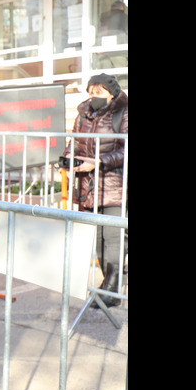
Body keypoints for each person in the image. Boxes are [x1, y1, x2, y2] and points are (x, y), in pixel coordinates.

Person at [64, 73, 128, 307]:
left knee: (112, 237)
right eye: (91, 92)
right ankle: (107, 283)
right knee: (99, 238)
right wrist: (68, 160)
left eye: (99, 92)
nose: (93, 97)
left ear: (111, 93)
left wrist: (99, 162)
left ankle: (111, 291)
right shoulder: (84, 113)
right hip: (90, 185)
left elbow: (126, 148)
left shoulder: (124, 112)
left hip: (115, 182)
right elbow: (74, 142)